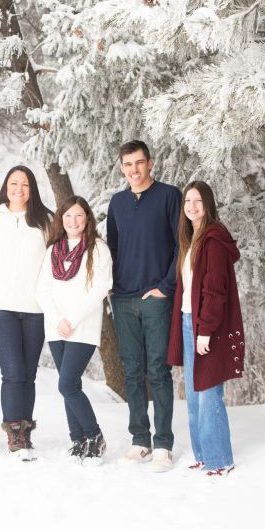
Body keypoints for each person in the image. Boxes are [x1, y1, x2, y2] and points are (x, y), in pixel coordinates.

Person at [107, 139, 181, 472]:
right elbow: (112, 247)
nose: (134, 170)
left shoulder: (168, 196)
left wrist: (165, 287)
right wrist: (112, 288)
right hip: (123, 298)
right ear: (122, 168)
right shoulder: (118, 203)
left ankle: (164, 444)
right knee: (133, 371)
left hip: (156, 297)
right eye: (127, 164)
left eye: (139, 163)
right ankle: (141, 440)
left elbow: (182, 245)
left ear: (150, 163)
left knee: (158, 371)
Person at [167, 181, 244, 476]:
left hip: (205, 327)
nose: (192, 206)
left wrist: (205, 331)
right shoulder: (192, 238)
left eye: (198, 201)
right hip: (189, 322)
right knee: (195, 394)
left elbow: (214, 291)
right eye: (188, 201)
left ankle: (219, 459)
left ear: (208, 204)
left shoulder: (213, 240)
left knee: (209, 393)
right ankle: (202, 454)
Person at [36, 196, 112, 463]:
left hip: (82, 327)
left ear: (87, 219)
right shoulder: (53, 251)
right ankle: (79, 440)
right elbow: (42, 290)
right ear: (61, 219)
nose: (73, 221)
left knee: (67, 384)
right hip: (57, 328)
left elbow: (100, 287)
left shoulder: (97, 249)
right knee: (70, 385)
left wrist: (73, 319)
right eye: (68, 216)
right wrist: (58, 319)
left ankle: (95, 436)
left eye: (79, 216)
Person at [0, 166, 52, 456]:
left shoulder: (45, 220)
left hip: (35, 307)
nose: (19, 189)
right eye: (14, 183)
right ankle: (13, 432)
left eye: (25, 184)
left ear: (32, 189)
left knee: (29, 373)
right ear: (6, 186)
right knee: (12, 371)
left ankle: (25, 429)